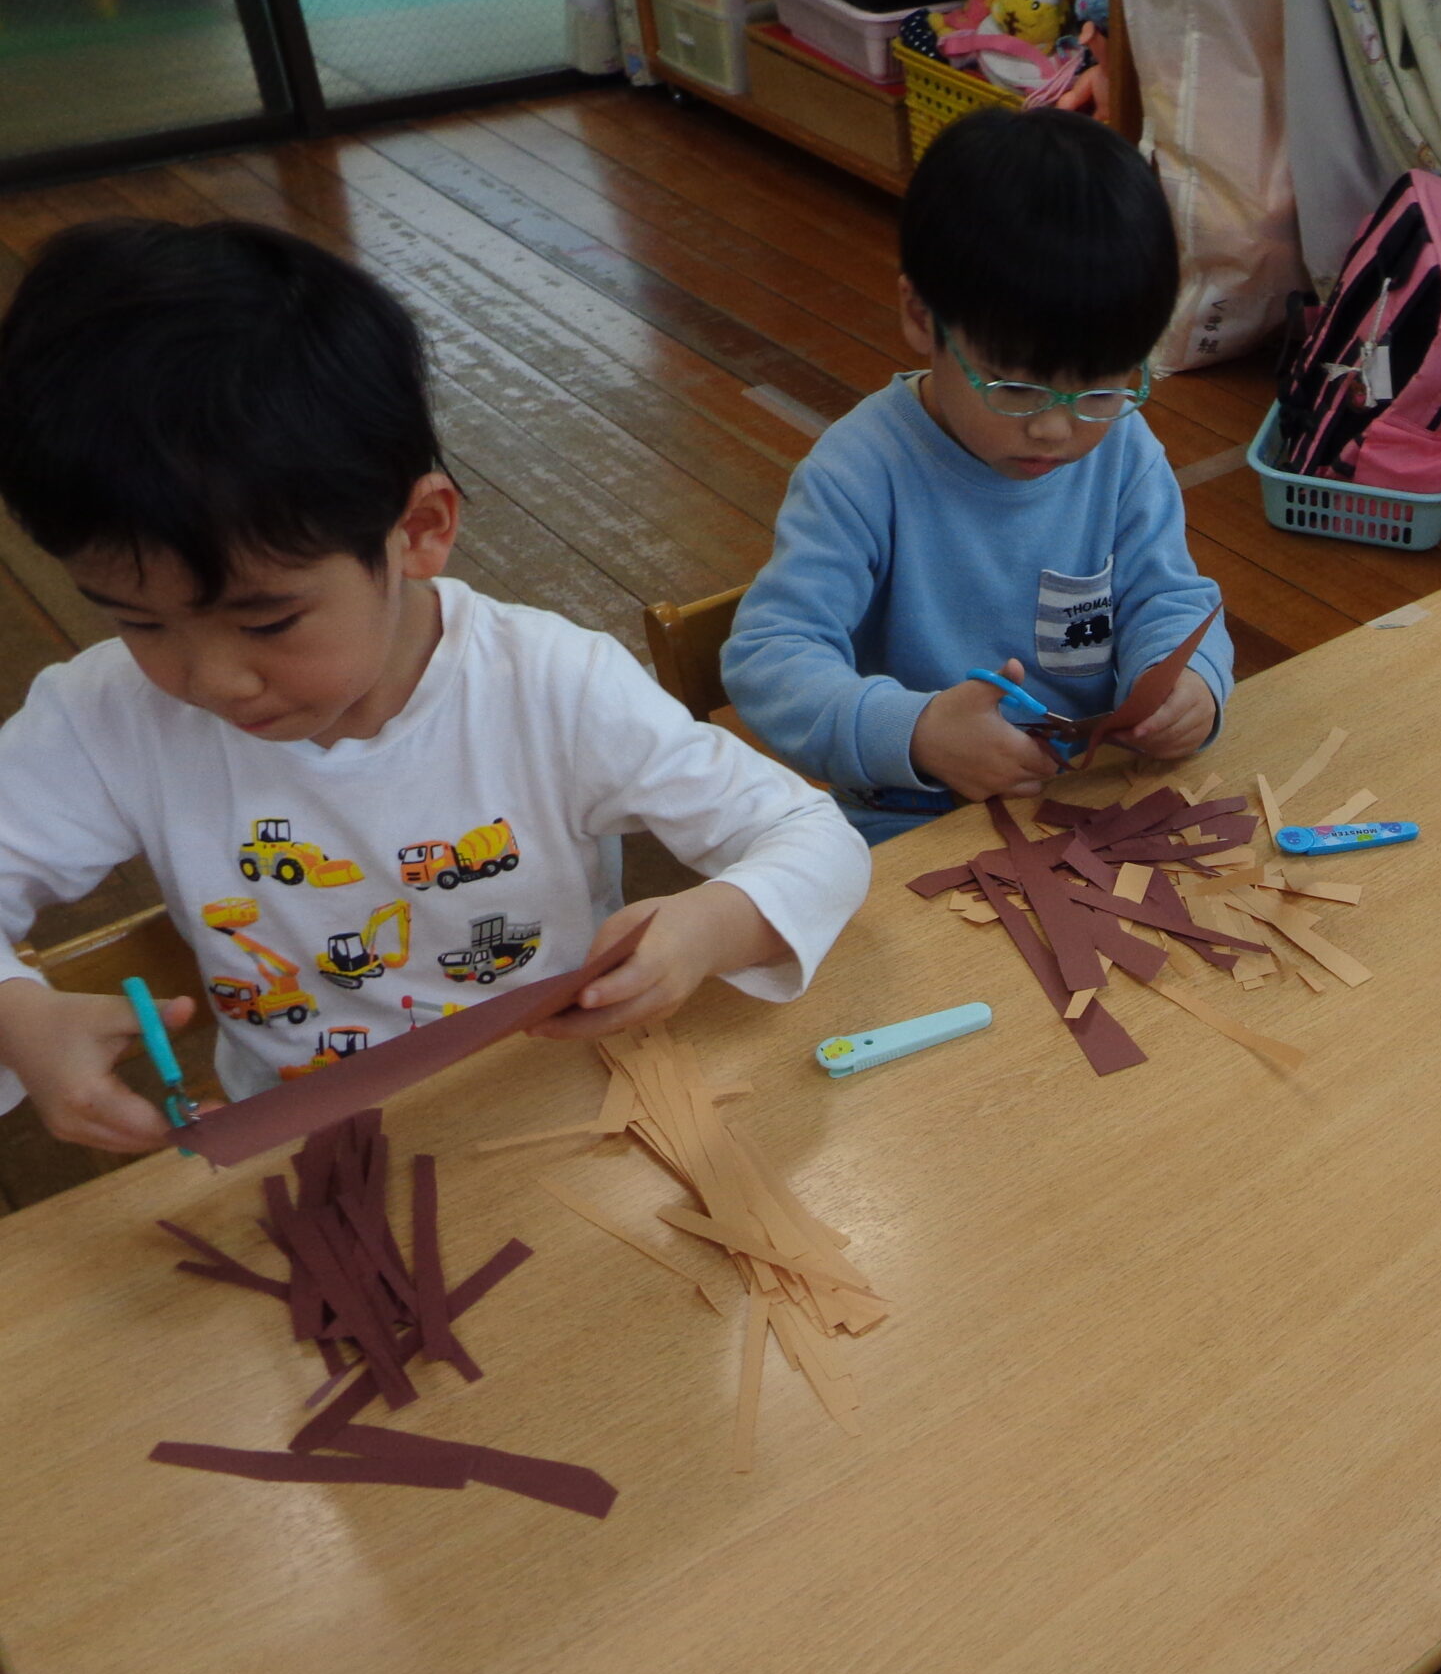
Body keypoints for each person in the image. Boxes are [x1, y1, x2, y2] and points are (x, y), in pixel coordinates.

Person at [0, 219, 871, 1149]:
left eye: (266, 622)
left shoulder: (550, 688)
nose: (211, 679)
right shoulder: (107, 718)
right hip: (298, 1145)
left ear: (419, 530)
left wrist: (709, 927)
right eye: (138, 621)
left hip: (565, 1112)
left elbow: (812, 836)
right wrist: (17, 1014)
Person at [723, 107, 1234, 844]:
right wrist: (919, 732)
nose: (1055, 427)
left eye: (1100, 390)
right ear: (920, 315)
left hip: (1093, 803)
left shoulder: (1122, 451)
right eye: (1016, 388)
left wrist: (1189, 684)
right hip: (910, 822)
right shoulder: (860, 472)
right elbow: (770, 656)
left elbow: (1170, 598)